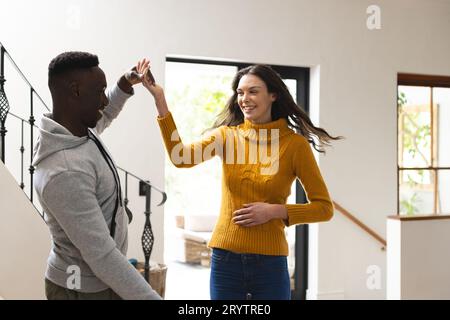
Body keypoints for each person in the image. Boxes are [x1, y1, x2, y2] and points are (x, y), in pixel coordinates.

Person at [142, 64, 340, 300]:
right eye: (240, 92)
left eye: (253, 91)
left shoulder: (295, 145)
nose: (244, 99)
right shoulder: (226, 136)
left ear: (273, 95)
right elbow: (180, 157)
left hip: (271, 263)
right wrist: (159, 99)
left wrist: (274, 211)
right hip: (226, 260)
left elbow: (324, 208)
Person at [32, 52, 161, 300]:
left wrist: (125, 83)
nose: (104, 100)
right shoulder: (65, 171)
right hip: (79, 289)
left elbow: (106, 113)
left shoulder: (75, 132)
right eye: (99, 91)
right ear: (75, 90)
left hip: (94, 281)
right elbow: (102, 255)